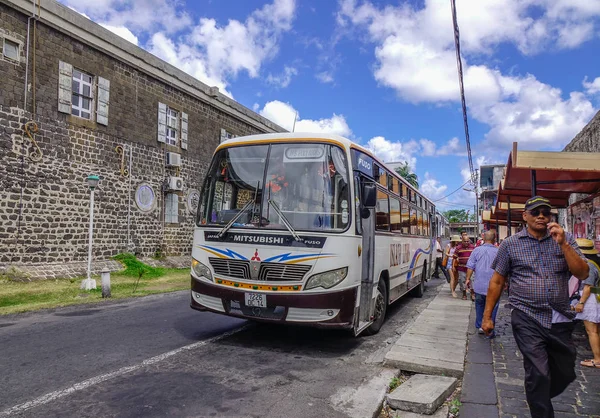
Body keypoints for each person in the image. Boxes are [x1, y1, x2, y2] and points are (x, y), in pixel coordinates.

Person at [482, 196, 589, 418]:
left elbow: (582, 273)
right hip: (526, 316)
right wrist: (487, 316)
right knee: (538, 371)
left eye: (545, 212)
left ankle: (538, 393)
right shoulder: (511, 244)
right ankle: (541, 410)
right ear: (525, 216)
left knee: (564, 369)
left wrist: (563, 244)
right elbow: (497, 281)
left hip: (559, 316)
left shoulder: (564, 238)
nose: (541, 216)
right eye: (535, 212)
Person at [465, 230, 499, 336]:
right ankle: (489, 327)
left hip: (479, 285)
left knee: (479, 305)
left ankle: (480, 325)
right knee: (493, 306)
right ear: (495, 239)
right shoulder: (498, 251)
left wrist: (467, 279)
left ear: (483, 239)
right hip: (494, 286)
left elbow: (470, 266)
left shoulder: (476, 250)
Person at [572, 238, 600, 369]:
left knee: (591, 331)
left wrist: (581, 303)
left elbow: (588, 287)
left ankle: (597, 359)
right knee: (594, 330)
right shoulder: (594, 263)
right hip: (593, 298)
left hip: (590, 300)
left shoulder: (588, 265)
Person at [453, 231, 475, 300]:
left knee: (472, 281)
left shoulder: (473, 247)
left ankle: (472, 294)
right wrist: (453, 266)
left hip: (471, 268)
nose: (466, 243)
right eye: (465, 241)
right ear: (462, 241)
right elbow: (454, 257)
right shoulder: (458, 248)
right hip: (461, 268)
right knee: (462, 281)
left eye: (467, 241)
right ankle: (464, 294)